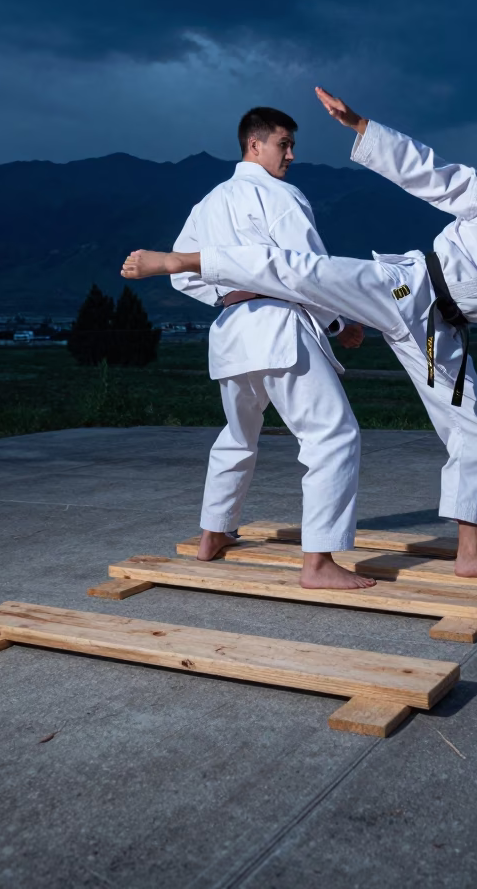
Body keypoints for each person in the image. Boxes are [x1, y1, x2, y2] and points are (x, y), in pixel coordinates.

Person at [122, 89, 477, 585]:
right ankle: (187, 259)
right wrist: (361, 126)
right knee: (306, 271)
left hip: (441, 332)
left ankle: (470, 552)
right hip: (406, 286)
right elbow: (429, 172)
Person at [170, 104, 375, 590]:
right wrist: (337, 323)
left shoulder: (209, 203)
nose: (292, 154)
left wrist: (227, 291)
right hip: (280, 329)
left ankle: (213, 533)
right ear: (254, 145)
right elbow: (310, 269)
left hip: (231, 333)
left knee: (237, 436)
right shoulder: (280, 195)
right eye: (284, 144)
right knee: (333, 436)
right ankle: (319, 564)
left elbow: (180, 271)